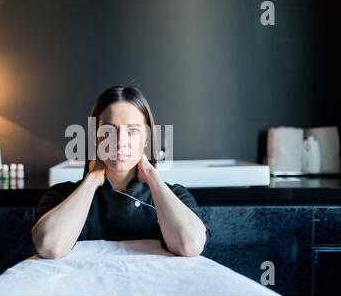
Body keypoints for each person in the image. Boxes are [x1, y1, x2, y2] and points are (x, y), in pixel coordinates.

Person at [31, 85, 210, 259]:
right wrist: (91, 180)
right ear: (96, 137)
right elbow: (49, 246)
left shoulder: (176, 196)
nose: (120, 141)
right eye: (109, 130)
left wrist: (151, 174)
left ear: (146, 139)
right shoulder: (61, 195)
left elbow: (190, 245)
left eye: (132, 131)